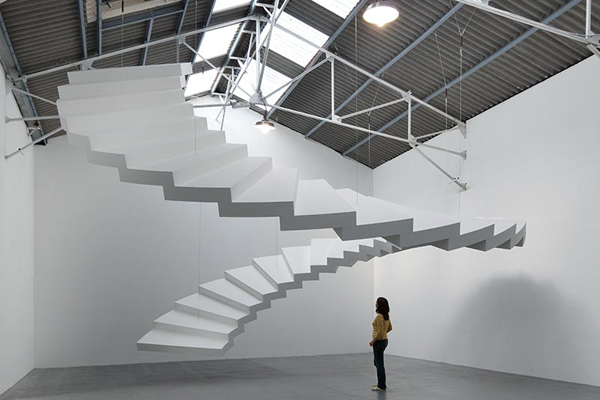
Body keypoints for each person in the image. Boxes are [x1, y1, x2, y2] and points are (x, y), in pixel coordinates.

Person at [369, 297, 392, 391]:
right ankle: (380, 383)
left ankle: (381, 385)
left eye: (376, 302)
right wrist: (383, 334)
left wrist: (373, 341)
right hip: (384, 341)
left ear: (379, 305)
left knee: (379, 364)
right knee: (377, 362)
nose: (375, 303)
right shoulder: (386, 315)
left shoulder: (379, 316)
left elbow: (380, 332)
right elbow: (390, 328)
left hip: (378, 342)